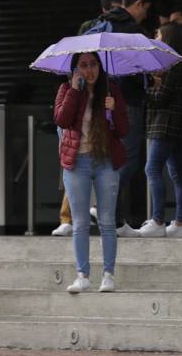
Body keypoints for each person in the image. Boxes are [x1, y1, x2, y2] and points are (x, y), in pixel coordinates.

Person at [54, 51, 128, 291]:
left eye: (93, 64)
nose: (89, 70)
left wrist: (114, 109)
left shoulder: (111, 90)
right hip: (77, 163)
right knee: (80, 222)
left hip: (104, 161)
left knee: (107, 221)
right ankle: (82, 276)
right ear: (75, 69)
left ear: (100, 66)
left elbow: (124, 130)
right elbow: (62, 120)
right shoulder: (66, 90)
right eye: (83, 65)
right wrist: (75, 91)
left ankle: (108, 275)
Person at [94, 0, 152, 236]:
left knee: (111, 158)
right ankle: (106, 209)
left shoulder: (100, 26)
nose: (145, 15)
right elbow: (138, 71)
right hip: (127, 102)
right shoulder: (132, 32)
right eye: (146, 9)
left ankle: (115, 221)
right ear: (138, 4)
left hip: (102, 102)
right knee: (127, 161)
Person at [136, 24, 182, 238]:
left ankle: (158, 220)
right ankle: (180, 222)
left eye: (159, 34)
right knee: (178, 173)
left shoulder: (172, 65)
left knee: (152, 168)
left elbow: (161, 99)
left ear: (169, 38)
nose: (156, 37)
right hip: (177, 125)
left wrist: (147, 88)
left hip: (165, 124)